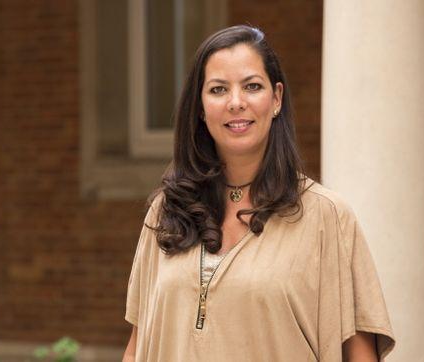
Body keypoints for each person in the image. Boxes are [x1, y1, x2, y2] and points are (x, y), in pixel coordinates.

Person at [122, 25, 395, 361]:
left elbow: (359, 354)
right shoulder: (167, 211)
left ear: (276, 98)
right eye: (219, 89)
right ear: (200, 108)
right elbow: (139, 345)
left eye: (252, 86)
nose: (236, 103)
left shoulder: (327, 218)